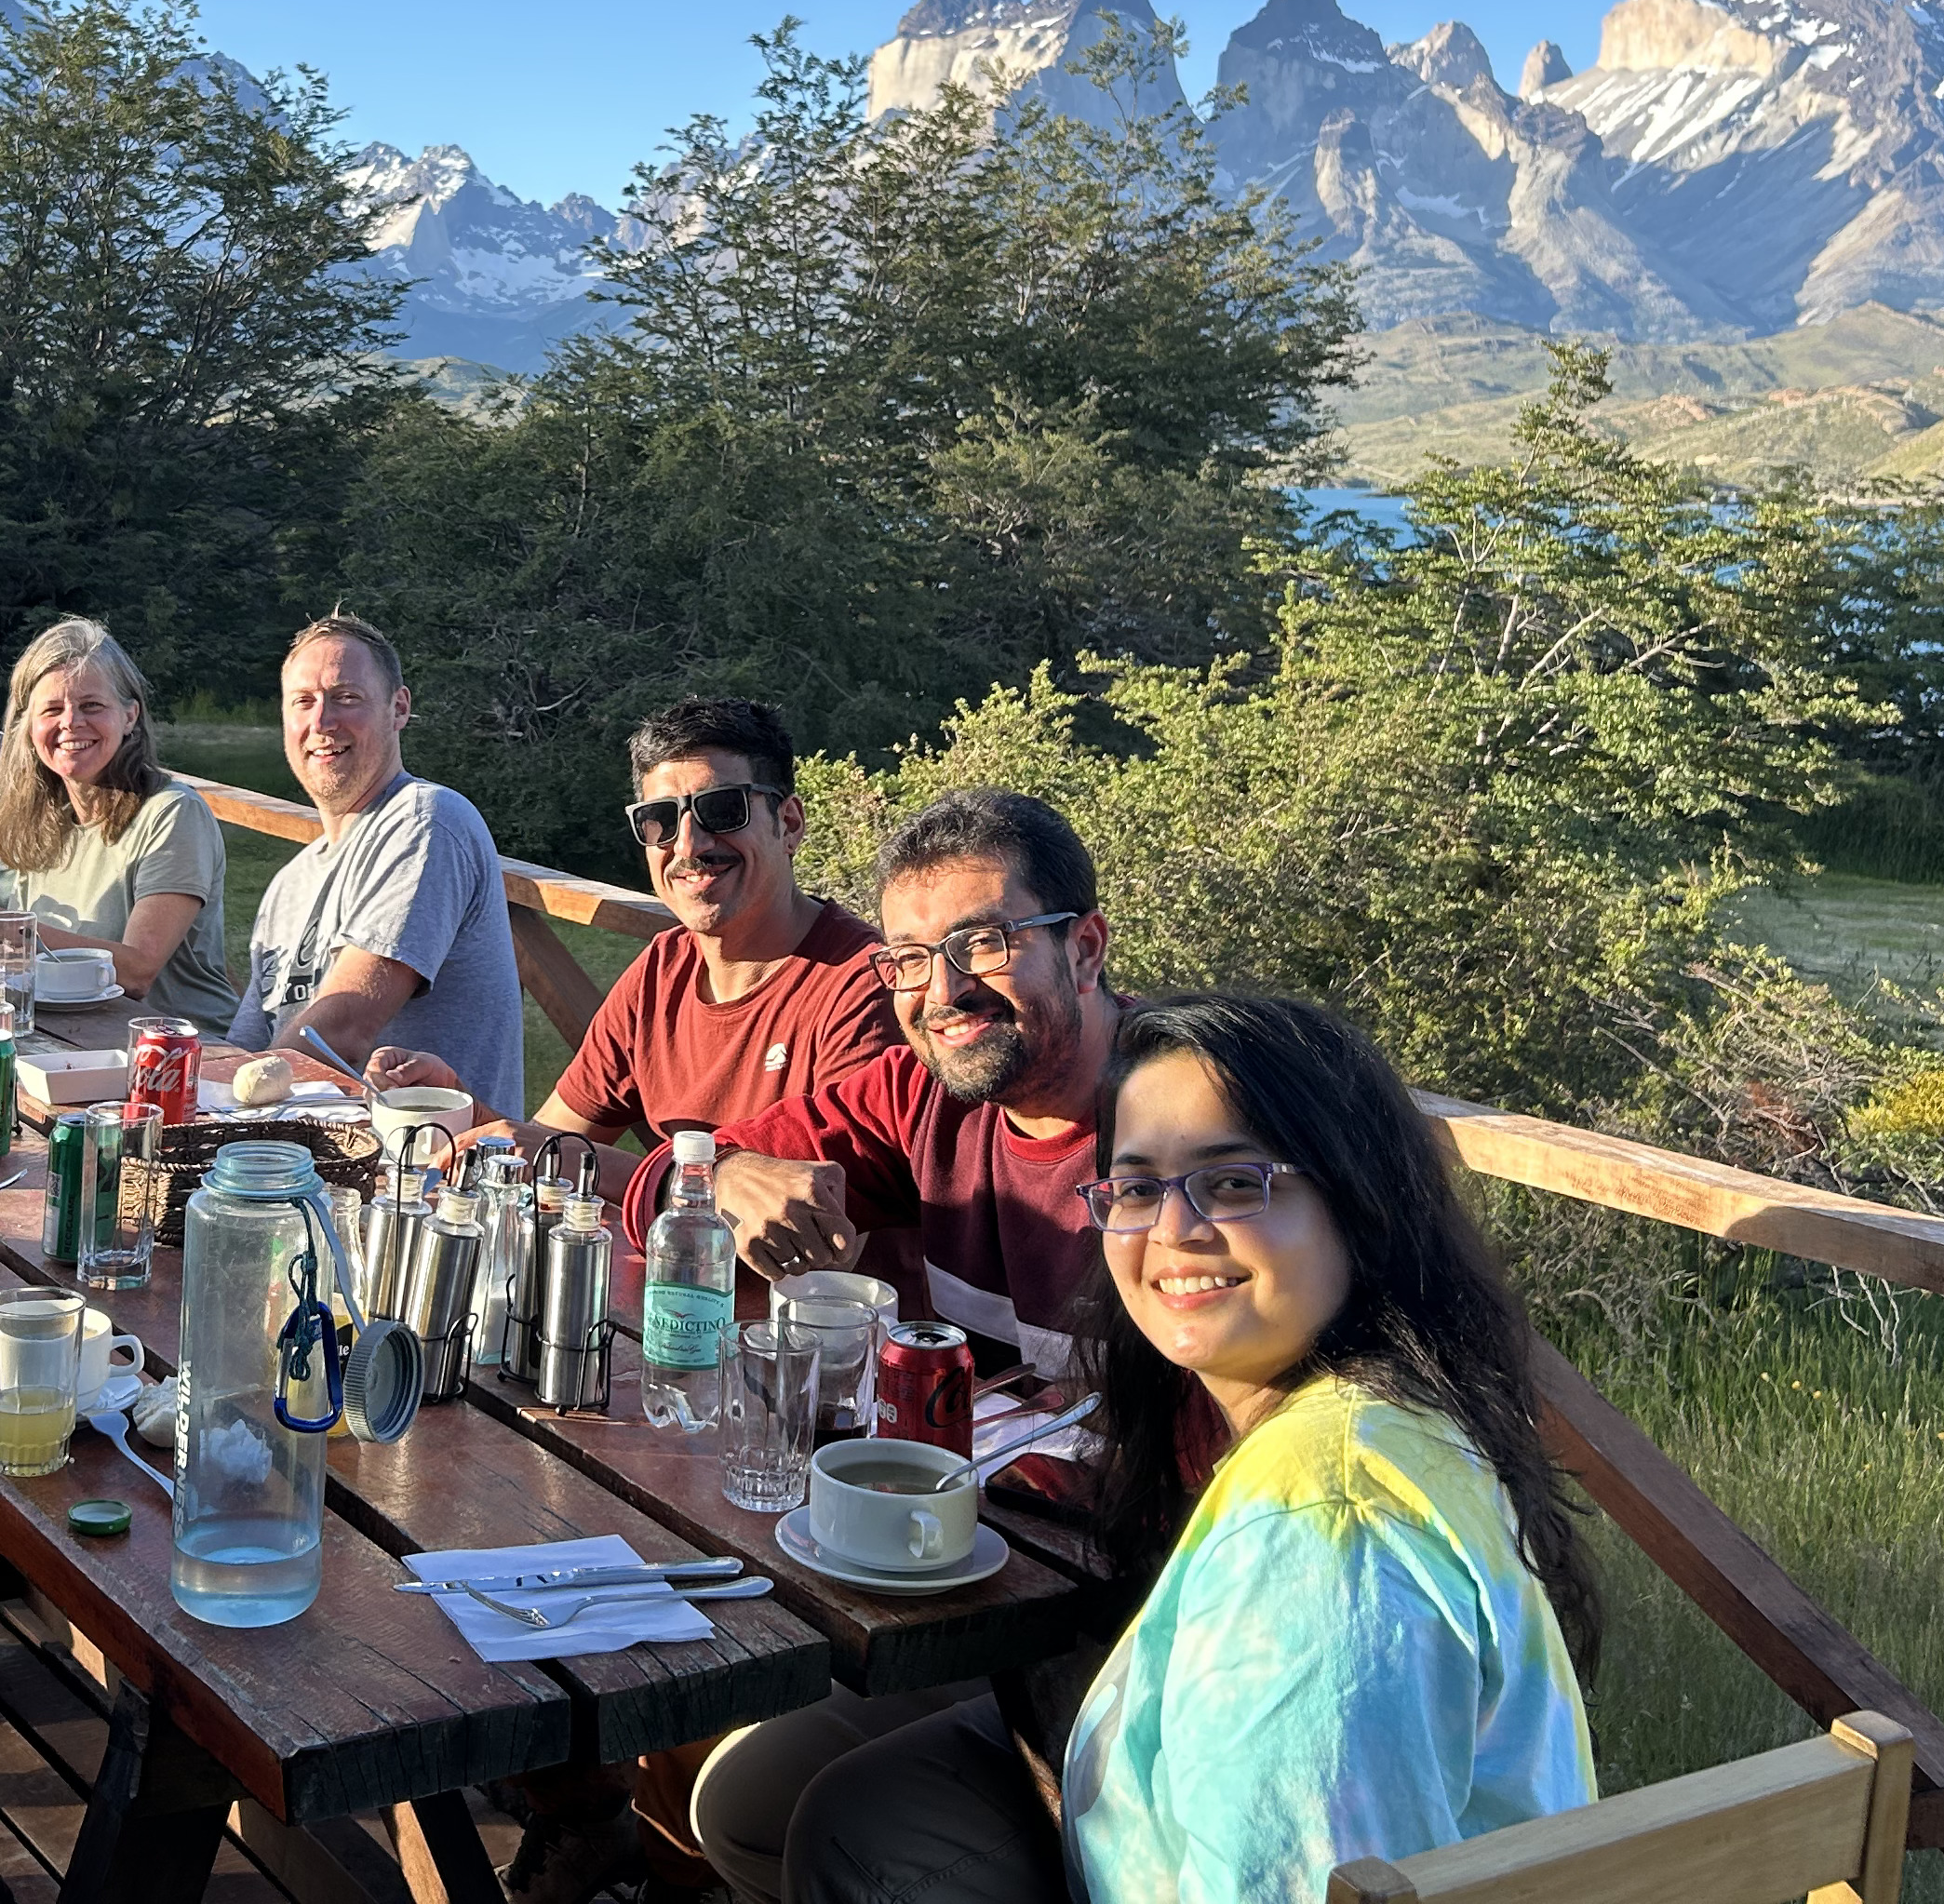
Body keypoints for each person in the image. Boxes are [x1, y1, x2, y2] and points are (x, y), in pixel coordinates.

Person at [772, 994, 1602, 1904]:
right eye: (1134, 1189)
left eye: (1235, 1182)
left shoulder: (1323, 1532)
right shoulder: (1380, 1425)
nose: (1173, 1231)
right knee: (841, 1815)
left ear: (1360, 1203)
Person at [619, 784, 1115, 1373]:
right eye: (911, 958)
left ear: (1084, 949)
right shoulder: (916, 1095)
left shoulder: (1190, 1115)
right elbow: (655, 1184)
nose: (943, 991)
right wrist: (722, 1176)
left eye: (983, 945)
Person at [366, 697, 891, 1160]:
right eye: (661, 819)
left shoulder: (863, 987)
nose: (689, 845)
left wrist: (634, 1180)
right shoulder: (663, 970)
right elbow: (553, 1143)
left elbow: (816, 1217)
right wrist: (464, 1110)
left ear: (790, 823)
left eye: (722, 809)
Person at [226, 610, 523, 1117]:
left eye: (346, 697)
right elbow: (249, 1054)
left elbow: (342, 1032)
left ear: (398, 707)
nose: (321, 722)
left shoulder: (427, 822)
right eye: (303, 701)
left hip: (427, 1170)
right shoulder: (289, 883)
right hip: (305, 1161)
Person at [0, 615, 238, 1026]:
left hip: (182, 1055)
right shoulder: (43, 820)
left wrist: (3, 928)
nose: (70, 723)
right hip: (72, 1040)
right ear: (29, 727)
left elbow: (137, 971)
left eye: (91, 706)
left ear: (130, 716)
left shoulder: (172, 812)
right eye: (51, 709)